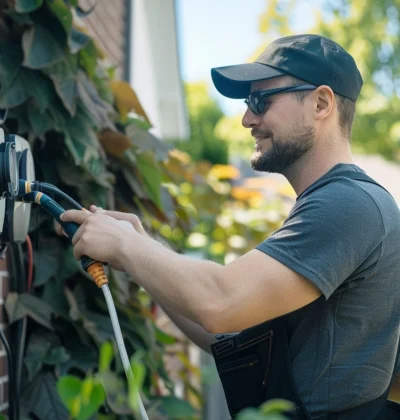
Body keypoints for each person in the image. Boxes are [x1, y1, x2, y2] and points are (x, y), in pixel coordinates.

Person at [60, 34, 400, 419]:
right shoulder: (336, 204)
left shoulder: (347, 205)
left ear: (321, 103)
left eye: (261, 101)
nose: (246, 119)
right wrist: (141, 250)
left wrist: (126, 246)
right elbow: (231, 335)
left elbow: (220, 303)